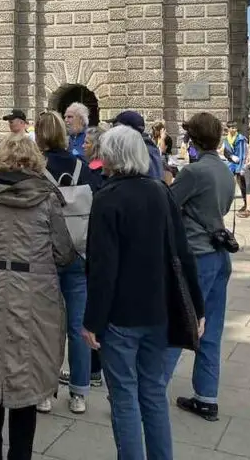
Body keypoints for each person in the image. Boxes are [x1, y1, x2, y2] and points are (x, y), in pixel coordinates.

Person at [82, 126, 204, 460]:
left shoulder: (107, 198)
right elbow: (183, 252)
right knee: (153, 393)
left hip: (122, 315)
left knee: (123, 397)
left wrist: (92, 320)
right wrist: (197, 305)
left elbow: (102, 267)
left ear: (111, 156)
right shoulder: (160, 191)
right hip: (159, 310)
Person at [0, 134, 75, 460]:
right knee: (28, 374)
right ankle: (20, 455)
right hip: (35, 294)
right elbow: (64, 251)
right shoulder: (48, 198)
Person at [164, 113, 233, 423]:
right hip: (220, 256)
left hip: (197, 257)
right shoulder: (225, 170)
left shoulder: (193, 172)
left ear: (192, 138)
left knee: (181, 323)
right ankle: (207, 396)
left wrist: (168, 183)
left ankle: (153, 389)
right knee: (212, 329)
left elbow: (167, 205)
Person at [36, 111, 98, 415]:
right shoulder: (82, 166)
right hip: (79, 251)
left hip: (44, 254)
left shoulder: (35, 169)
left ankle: (45, 392)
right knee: (78, 326)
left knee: (46, 324)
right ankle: (79, 393)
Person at [112, 111, 164, 180]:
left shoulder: (136, 150)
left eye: (115, 127)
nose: (112, 131)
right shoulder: (150, 146)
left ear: (126, 130)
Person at [222, 122, 248, 207]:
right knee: (227, 183)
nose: (233, 129)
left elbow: (243, 153)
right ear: (228, 129)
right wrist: (231, 156)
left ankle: (246, 203)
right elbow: (226, 152)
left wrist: (242, 166)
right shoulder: (226, 139)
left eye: (235, 128)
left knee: (242, 184)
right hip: (230, 163)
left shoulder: (241, 138)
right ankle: (225, 202)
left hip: (240, 163)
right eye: (231, 128)